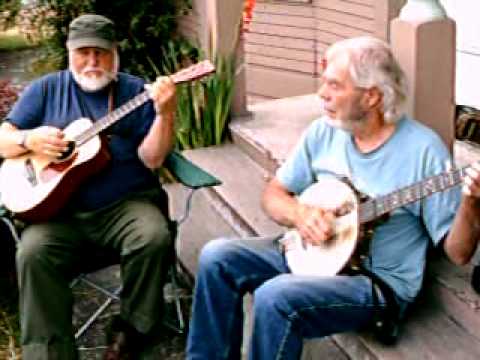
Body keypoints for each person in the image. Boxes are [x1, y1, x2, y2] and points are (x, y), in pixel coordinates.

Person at [186, 36, 480, 360]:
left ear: (371, 96)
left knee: (276, 296)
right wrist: (299, 214)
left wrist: (470, 201)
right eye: (323, 82)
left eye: (335, 85)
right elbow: (274, 194)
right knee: (218, 257)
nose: (321, 93)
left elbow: (459, 253)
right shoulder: (324, 130)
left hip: (372, 282)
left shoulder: (423, 151)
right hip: (314, 254)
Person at [0, 14, 177, 360]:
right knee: (32, 253)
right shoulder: (46, 89)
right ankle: (50, 352)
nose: (93, 61)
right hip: (57, 214)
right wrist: (28, 138)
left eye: (101, 52)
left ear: (115, 53)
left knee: (153, 236)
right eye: (84, 52)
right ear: (69, 53)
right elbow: (2, 140)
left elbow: (153, 159)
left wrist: (165, 114)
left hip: (124, 206)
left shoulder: (135, 92)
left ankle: (132, 330)